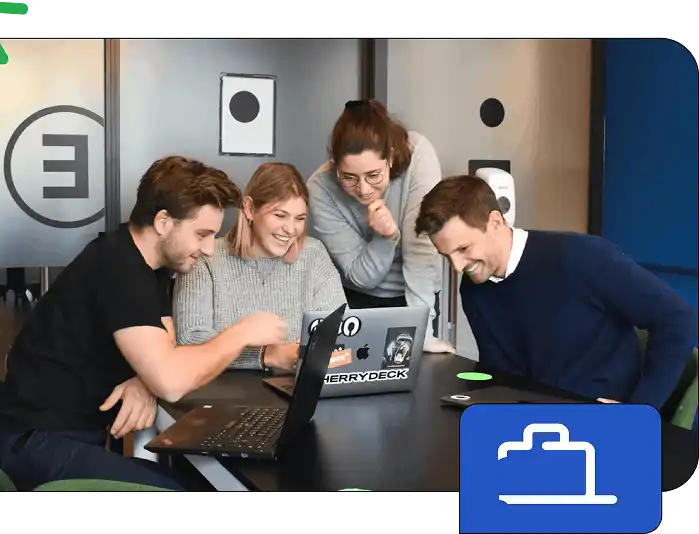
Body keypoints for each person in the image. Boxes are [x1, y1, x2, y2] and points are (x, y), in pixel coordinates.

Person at [0, 156, 289, 491]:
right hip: (33, 446)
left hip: (61, 440)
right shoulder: (120, 269)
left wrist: (145, 378)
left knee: (199, 484)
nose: (208, 249)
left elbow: (166, 347)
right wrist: (241, 333)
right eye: (201, 234)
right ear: (163, 221)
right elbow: (172, 381)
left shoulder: (147, 265)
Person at [414, 174, 696, 409]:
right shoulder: (475, 288)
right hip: (535, 425)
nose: (457, 265)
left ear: (496, 223)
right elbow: (502, 373)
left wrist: (640, 412)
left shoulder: (583, 257)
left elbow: (676, 320)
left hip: (600, 424)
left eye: (463, 249)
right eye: (446, 255)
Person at [307, 99, 452, 353]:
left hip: (417, 299)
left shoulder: (418, 154)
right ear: (334, 164)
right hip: (356, 301)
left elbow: (421, 252)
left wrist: (423, 335)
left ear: (392, 157)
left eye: (374, 175)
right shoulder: (320, 188)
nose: (363, 189)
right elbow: (361, 276)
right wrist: (385, 237)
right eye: (349, 177)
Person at [174, 162, 347, 372]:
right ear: (249, 209)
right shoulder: (206, 258)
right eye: (280, 215)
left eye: (299, 218)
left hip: (294, 388)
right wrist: (266, 354)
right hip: (219, 391)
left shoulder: (313, 254)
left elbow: (342, 331)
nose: (291, 229)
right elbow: (190, 340)